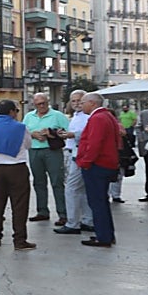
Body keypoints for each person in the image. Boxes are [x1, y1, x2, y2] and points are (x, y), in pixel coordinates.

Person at [0, 100, 35, 251]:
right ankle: (19, 239)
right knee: (19, 204)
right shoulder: (20, 127)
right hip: (16, 168)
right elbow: (28, 145)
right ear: (12, 112)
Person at [76, 92, 123, 248]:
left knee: (97, 202)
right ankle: (107, 233)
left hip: (98, 165)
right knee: (101, 201)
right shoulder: (108, 116)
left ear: (92, 103)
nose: (81, 105)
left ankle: (103, 236)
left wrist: (85, 161)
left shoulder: (97, 118)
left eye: (83, 102)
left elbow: (94, 143)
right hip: (106, 163)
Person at [23, 92, 69, 225]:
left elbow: (67, 132)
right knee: (38, 182)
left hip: (52, 151)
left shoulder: (57, 115)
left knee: (57, 181)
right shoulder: (29, 116)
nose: (41, 106)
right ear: (34, 104)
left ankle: (63, 213)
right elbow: (23, 132)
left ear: (48, 102)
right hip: (34, 151)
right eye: (38, 104)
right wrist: (33, 134)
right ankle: (42, 211)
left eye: (43, 103)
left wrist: (51, 134)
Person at [55, 90, 96, 235]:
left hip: (80, 155)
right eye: (73, 101)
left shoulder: (89, 117)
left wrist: (72, 135)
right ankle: (87, 220)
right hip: (73, 152)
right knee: (82, 189)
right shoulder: (75, 117)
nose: (77, 104)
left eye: (80, 100)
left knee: (71, 188)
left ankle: (73, 223)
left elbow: (88, 135)